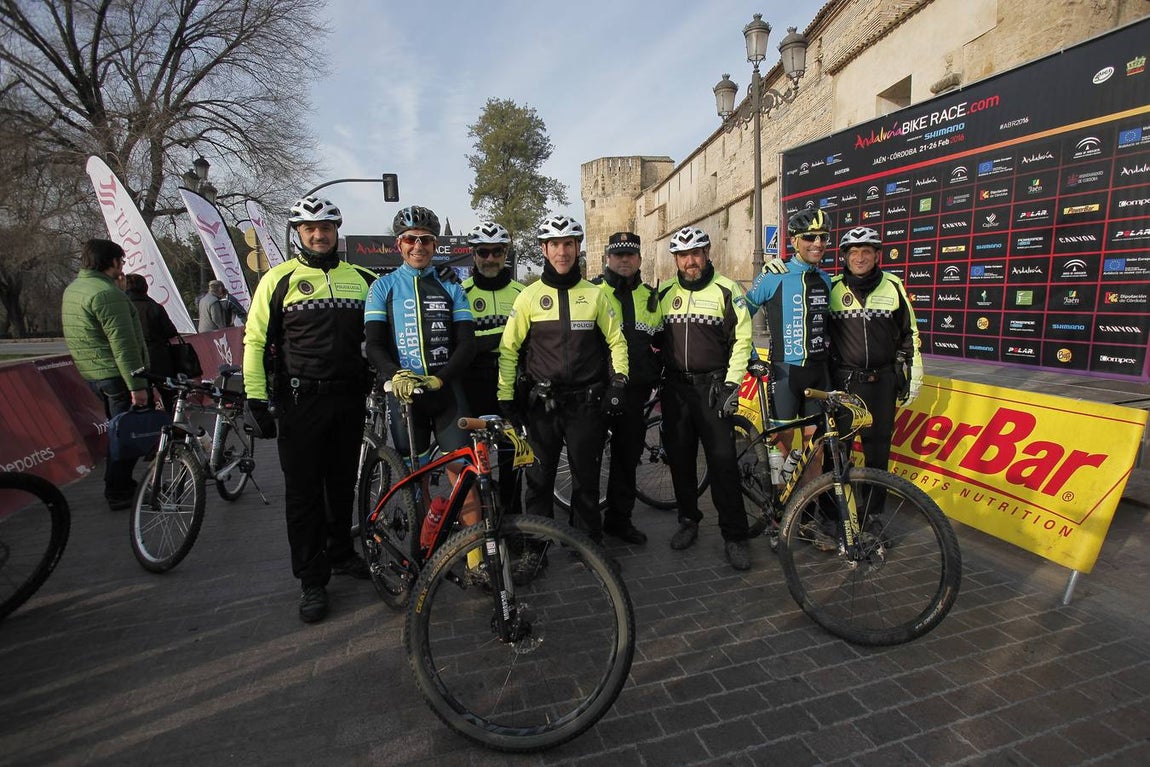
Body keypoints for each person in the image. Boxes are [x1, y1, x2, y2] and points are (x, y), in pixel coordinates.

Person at [242, 195, 376, 624]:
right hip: (300, 402)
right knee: (303, 494)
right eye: (309, 229)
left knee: (341, 485)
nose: (318, 235)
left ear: (337, 231)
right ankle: (312, 579)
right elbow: (255, 341)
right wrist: (255, 398)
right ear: (298, 233)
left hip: (349, 399)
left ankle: (340, 553)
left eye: (326, 228)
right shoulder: (278, 279)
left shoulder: (364, 278)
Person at [497, 215, 628, 551]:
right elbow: (509, 349)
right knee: (538, 480)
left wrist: (619, 381)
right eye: (554, 244)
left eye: (568, 243)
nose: (562, 251)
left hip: (586, 405)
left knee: (586, 480)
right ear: (544, 249)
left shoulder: (595, 295)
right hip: (542, 406)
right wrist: (506, 396)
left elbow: (617, 341)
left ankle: (586, 545)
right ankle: (536, 548)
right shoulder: (529, 296)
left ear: (577, 247)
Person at [365, 205, 477, 524]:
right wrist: (395, 373)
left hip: (446, 392)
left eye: (425, 240)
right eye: (410, 239)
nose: (418, 246)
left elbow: (467, 343)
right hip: (405, 396)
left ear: (435, 245)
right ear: (399, 244)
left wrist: (441, 379)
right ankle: (426, 543)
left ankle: (475, 552)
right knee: (416, 480)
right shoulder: (382, 287)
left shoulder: (451, 286)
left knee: (464, 474)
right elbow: (373, 344)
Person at [657, 226, 754, 570]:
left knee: (723, 463)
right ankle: (688, 520)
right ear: (676, 260)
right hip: (675, 390)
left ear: (707, 253)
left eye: (696, 253)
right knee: (680, 460)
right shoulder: (664, 293)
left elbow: (742, 340)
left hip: (713, 388)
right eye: (683, 256)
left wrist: (731, 384)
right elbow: (654, 338)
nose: (690, 261)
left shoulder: (728, 290)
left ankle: (735, 535)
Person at [61, 239, 149, 510]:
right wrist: (137, 385)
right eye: (121, 261)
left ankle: (119, 484)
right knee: (127, 433)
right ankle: (119, 488)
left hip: (93, 373)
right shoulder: (107, 295)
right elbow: (124, 346)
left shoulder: (75, 289)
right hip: (116, 375)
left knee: (118, 429)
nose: (123, 267)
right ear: (112, 262)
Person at [828, 226, 923, 470]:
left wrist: (915, 378)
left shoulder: (893, 285)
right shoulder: (832, 287)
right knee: (837, 456)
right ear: (844, 256)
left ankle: (874, 498)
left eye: (866, 252)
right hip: (844, 383)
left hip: (882, 383)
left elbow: (910, 333)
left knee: (878, 456)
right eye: (853, 252)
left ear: (877, 255)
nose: (860, 258)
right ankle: (836, 497)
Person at [590, 231, 663, 545]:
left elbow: (661, 340)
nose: (624, 260)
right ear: (608, 258)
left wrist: (657, 371)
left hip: (634, 392)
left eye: (630, 255)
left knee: (627, 459)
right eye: (618, 255)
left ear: (639, 259)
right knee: (589, 461)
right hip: (598, 389)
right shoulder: (592, 290)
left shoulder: (650, 296)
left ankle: (619, 521)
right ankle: (586, 530)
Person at [746, 207, 834, 466]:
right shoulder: (774, 275)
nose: (817, 243)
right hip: (784, 374)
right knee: (781, 452)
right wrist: (751, 355)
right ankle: (778, 493)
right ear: (794, 240)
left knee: (815, 451)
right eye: (809, 237)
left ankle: (809, 496)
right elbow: (739, 317)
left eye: (823, 237)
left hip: (819, 373)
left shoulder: (826, 279)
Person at [461, 221, 524, 516]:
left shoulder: (522, 293)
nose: (490, 258)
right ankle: (480, 520)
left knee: (513, 455)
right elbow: (462, 345)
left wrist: (482, 341)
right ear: (474, 254)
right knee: (476, 458)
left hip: (512, 381)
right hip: (474, 382)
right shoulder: (460, 293)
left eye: (496, 251)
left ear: (505, 253)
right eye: (483, 252)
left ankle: (512, 517)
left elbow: (531, 340)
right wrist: (506, 337)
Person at [124, 272, 180, 412]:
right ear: (145, 287)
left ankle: (149, 421)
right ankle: (173, 421)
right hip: (159, 356)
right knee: (169, 395)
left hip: (134, 358)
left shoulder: (123, 309)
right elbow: (170, 331)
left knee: (144, 398)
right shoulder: (154, 306)